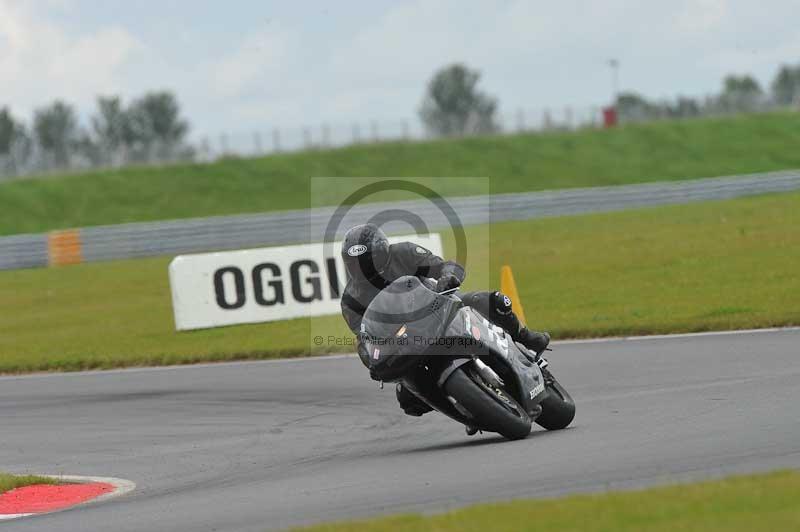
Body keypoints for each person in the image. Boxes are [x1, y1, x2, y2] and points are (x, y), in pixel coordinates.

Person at [339, 223, 550, 416]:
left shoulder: (404, 253)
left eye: (369, 261)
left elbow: (445, 266)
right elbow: (365, 337)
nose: (364, 268)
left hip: (439, 307)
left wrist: (448, 277)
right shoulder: (351, 300)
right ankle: (469, 410)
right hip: (408, 342)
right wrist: (371, 358)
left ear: (383, 252)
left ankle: (526, 338)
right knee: (408, 400)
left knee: (493, 301)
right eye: (355, 264)